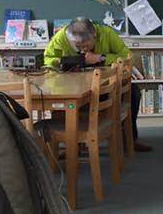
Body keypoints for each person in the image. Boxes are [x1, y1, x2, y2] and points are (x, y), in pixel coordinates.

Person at [43, 17, 151, 152]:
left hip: (105, 85)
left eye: (86, 46)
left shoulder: (107, 33)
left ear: (94, 35)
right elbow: (48, 59)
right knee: (63, 100)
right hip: (73, 86)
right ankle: (72, 144)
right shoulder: (61, 37)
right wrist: (68, 60)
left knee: (134, 92)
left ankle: (129, 139)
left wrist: (101, 58)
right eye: (78, 46)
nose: (83, 50)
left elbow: (126, 56)